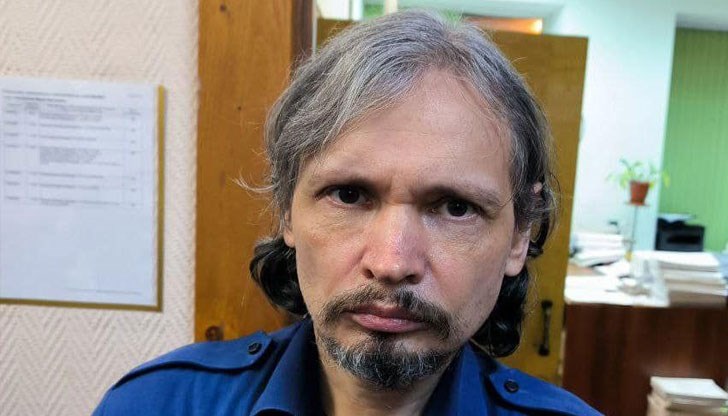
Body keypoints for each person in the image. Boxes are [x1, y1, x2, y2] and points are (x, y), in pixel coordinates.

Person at [94, 10, 601, 416]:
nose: (392, 262)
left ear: (519, 236)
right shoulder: (153, 405)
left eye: (455, 207)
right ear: (287, 211)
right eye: (350, 195)